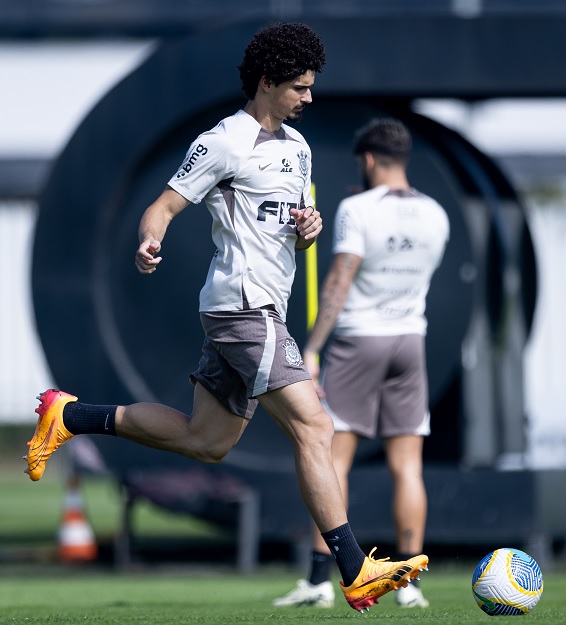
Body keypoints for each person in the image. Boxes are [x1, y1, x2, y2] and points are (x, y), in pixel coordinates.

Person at [23, 24, 428, 612]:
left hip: (261, 309)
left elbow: (292, 225)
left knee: (205, 440)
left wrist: (309, 230)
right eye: (299, 87)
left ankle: (71, 415)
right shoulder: (222, 142)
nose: (308, 98)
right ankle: (353, 567)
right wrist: (148, 242)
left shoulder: (298, 147)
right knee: (317, 429)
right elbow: (161, 207)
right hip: (243, 309)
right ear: (266, 83)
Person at [274, 117, 448, 609]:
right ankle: (410, 585)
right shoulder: (436, 213)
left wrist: (311, 347)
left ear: (368, 160)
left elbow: (339, 281)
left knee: (330, 459)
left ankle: (318, 580)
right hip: (411, 339)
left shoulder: (355, 207)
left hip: (357, 340)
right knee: (407, 466)